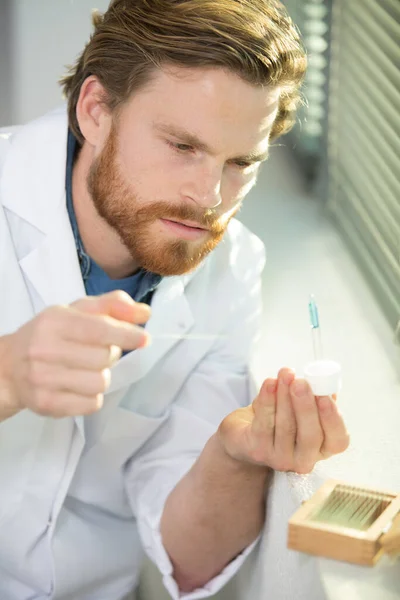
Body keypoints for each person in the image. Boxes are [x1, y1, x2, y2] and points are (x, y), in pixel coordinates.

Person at [0, 1, 350, 598]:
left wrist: (235, 456)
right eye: (182, 146)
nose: (209, 196)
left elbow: (187, 562)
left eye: (241, 163)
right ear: (96, 111)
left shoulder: (233, 268)